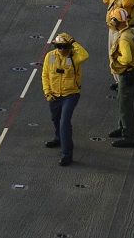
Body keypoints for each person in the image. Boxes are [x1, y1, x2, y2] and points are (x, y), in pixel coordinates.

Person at [41, 32, 88, 166]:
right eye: (58, 46)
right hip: (54, 95)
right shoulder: (50, 56)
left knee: (64, 122)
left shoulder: (75, 57)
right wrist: (47, 92)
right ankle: (59, 138)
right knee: (55, 119)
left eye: (64, 46)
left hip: (70, 95)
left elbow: (85, 55)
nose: (61, 49)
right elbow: (45, 75)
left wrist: (73, 43)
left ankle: (67, 154)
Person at [109, 8, 134, 147]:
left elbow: (127, 58)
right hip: (133, 72)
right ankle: (122, 127)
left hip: (127, 74)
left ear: (115, 21)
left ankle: (129, 136)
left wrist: (118, 61)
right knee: (121, 101)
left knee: (125, 105)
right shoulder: (132, 31)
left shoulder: (123, 38)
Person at [105, 0, 134, 88]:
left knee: (119, 55)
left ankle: (123, 82)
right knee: (112, 55)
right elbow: (105, 0)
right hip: (113, 29)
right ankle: (119, 81)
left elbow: (127, 3)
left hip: (121, 30)